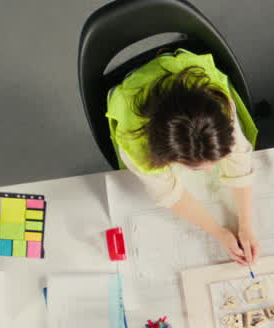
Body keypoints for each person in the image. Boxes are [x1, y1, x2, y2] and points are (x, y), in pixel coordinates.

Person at [107, 50, 260, 266]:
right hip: (131, 91)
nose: (210, 171)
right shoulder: (136, 144)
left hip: (181, 71)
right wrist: (219, 233)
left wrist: (246, 225)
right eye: (197, 168)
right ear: (163, 156)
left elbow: (239, 157)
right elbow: (167, 193)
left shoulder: (216, 105)